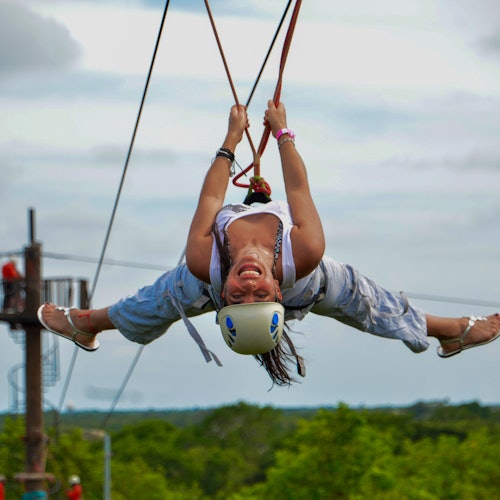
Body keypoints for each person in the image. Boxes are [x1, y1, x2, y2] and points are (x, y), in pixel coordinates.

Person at [38, 101, 500, 385]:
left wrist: (231, 139)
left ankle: (87, 324)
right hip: (310, 283)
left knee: (161, 297)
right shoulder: (306, 257)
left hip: (203, 280)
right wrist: (281, 130)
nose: (249, 286)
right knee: (367, 301)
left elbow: (211, 197)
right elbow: (298, 191)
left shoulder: (207, 269)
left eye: (239, 298)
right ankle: (451, 330)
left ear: (224, 300)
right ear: (279, 293)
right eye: (259, 295)